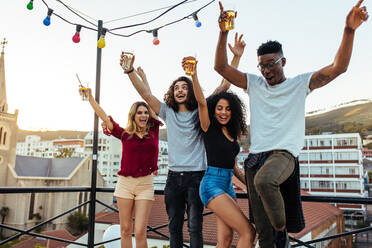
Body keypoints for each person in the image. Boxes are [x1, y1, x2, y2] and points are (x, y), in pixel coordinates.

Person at [214, 1, 369, 248]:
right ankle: (274, 236)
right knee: (263, 236)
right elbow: (220, 67)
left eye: (271, 63)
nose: (266, 70)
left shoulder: (300, 84)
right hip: (255, 159)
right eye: (262, 65)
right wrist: (223, 33)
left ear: (283, 61)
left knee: (265, 183)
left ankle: (282, 233)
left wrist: (349, 30)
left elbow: (339, 67)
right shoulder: (254, 84)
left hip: (283, 155)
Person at [120, 33, 246, 248]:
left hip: (197, 177)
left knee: (195, 227)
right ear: (172, 92)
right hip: (173, 178)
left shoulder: (201, 110)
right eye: (176, 87)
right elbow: (146, 94)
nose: (180, 90)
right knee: (174, 227)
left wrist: (235, 59)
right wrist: (130, 71)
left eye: (184, 87)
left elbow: (223, 86)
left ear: (190, 91)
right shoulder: (168, 112)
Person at [183, 55, 256, 248]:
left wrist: (251, 186)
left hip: (228, 185)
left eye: (228, 109)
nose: (223, 112)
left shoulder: (233, 134)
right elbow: (201, 103)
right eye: (219, 108)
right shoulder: (208, 128)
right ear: (214, 110)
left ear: (234, 112)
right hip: (211, 185)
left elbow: (234, 168)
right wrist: (194, 76)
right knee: (248, 232)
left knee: (224, 240)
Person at [85, 87, 162, 248]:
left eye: (145, 112)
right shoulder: (124, 134)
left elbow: (150, 99)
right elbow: (104, 117)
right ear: (133, 115)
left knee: (140, 231)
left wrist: (144, 79)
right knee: (125, 230)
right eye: (140, 112)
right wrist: (91, 98)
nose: (144, 115)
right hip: (125, 185)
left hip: (145, 185)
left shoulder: (154, 130)